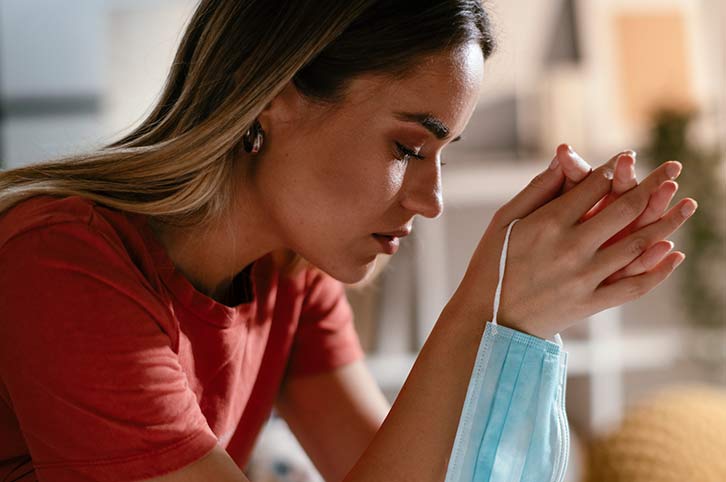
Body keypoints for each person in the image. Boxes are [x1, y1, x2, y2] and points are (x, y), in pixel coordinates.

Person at [0, 1, 697, 481]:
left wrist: (522, 321)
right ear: (271, 92)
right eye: (408, 146)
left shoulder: (291, 277)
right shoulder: (61, 263)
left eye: (444, 153)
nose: (432, 201)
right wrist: (480, 311)